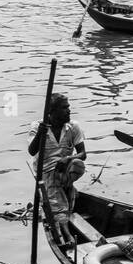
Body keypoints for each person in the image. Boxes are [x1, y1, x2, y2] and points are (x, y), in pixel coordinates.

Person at [27, 93, 87, 239]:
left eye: (68, 107)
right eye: (64, 108)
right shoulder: (38, 126)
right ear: (52, 112)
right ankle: (66, 235)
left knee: (78, 164)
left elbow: (83, 154)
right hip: (46, 172)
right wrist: (41, 133)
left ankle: (64, 190)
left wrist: (68, 158)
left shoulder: (73, 127)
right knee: (57, 201)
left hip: (65, 169)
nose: (69, 110)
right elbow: (32, 151)